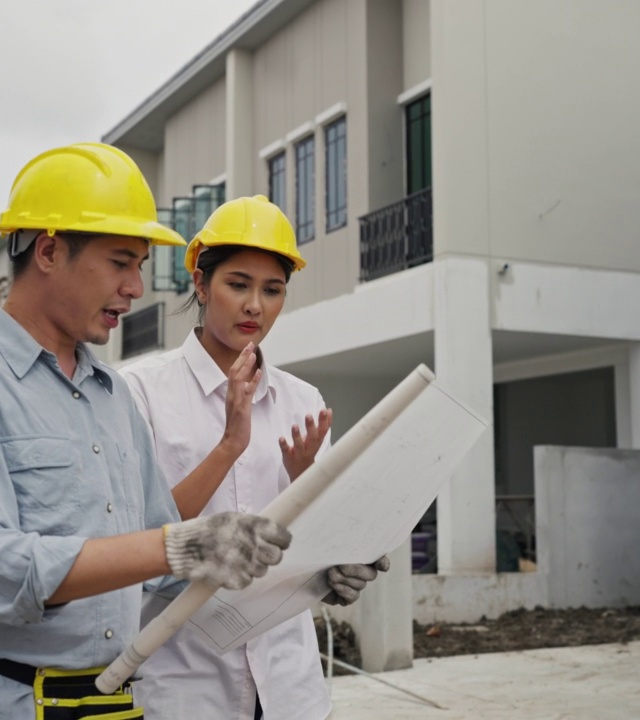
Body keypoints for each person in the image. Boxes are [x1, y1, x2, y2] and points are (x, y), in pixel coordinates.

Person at [0, 145, 294, 720]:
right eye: (121, 262)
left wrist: (307, 581)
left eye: (140, 266)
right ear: (48, 250)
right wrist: (176, 546)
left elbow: (159, 571)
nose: (135, 287)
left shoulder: (112, 396)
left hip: (106, 704)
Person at [122, 196, 388, 720]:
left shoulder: (302, 401)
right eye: (237, 284)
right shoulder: (141, 393)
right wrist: (229, 447)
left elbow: (313, 547)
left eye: (273, 290)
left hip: (291, 689)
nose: (255, 306)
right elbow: (136, 542)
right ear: (200, 283)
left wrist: (340, 556)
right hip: (185, 689)